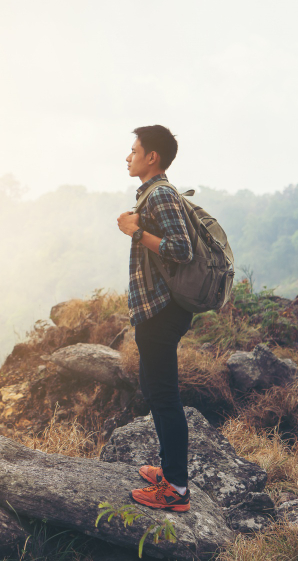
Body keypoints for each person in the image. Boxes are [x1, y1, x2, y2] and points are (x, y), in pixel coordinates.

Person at [116, 125, 194, 513]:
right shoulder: (152, 192)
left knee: (164, 397)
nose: (127, 157)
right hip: (154, 311)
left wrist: (136, 231)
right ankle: (168, 473)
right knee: (154, 389)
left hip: (163, 311)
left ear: (152, 158)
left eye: (133, 151)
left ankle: (176, 490)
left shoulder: (160, 194)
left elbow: (182, 249)